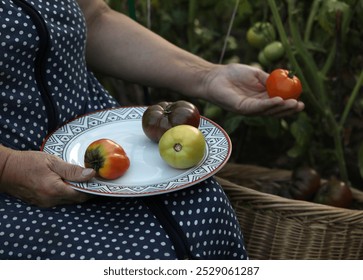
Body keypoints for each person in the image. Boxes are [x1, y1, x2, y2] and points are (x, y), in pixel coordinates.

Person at [0, 0, 304, 260]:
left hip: (99, 144)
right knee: (141, 256)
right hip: (15, 188)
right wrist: (8, 168)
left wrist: (207, 77)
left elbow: (94, 17)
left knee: (207, 211)